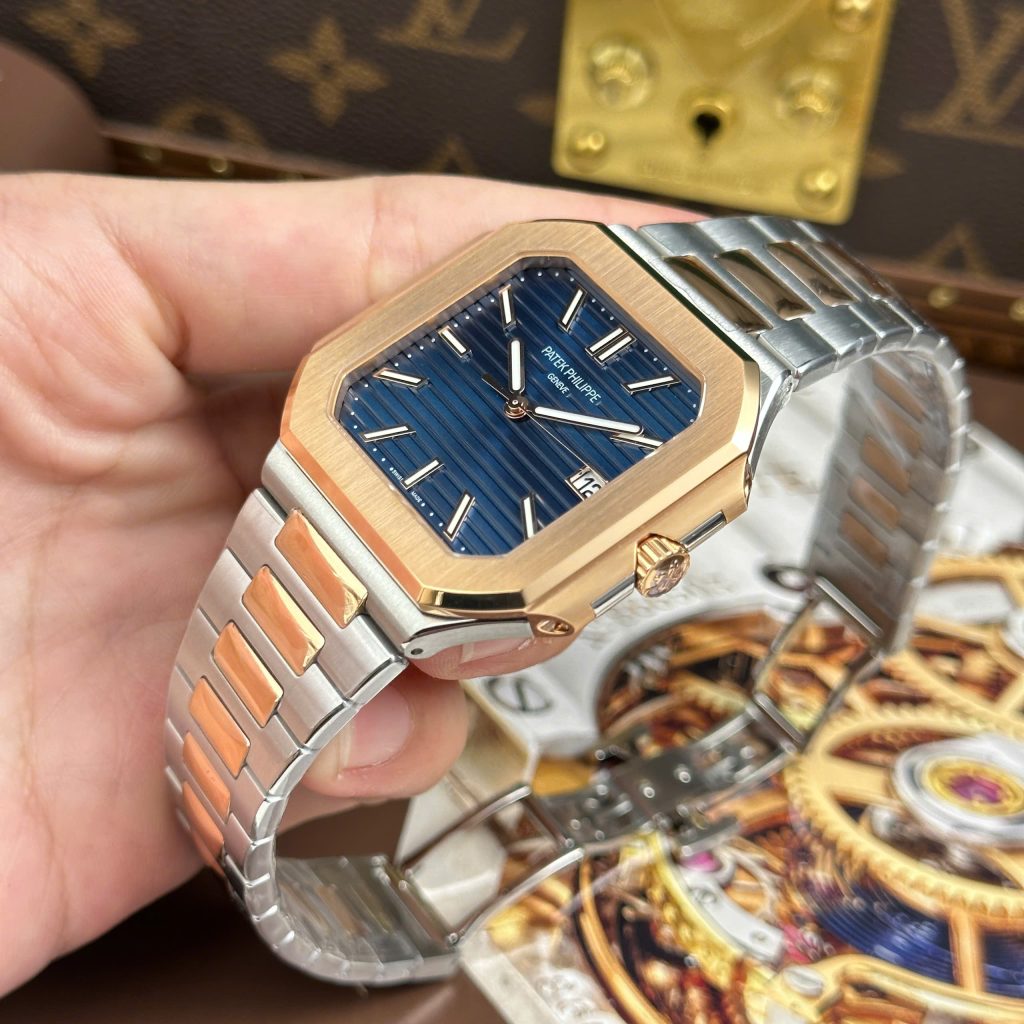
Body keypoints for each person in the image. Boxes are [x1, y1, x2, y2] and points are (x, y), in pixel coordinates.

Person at [0, 171, 689, 995]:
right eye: (520, 400)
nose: (520, 409)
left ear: (660, 556)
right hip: (326, 472)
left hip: (428, 547)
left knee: (382, 722)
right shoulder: (538, 275)